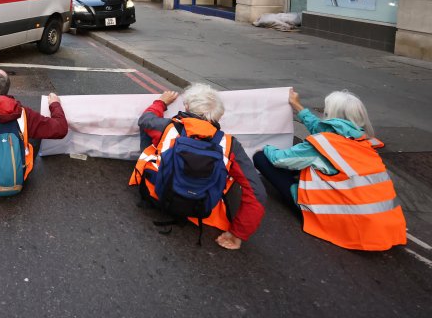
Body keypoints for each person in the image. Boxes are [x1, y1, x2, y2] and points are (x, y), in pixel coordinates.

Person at [253, 88, 406, 251]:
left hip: (351, 224)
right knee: (305, 158)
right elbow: (320, 129)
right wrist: (297, 106)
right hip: (387, 226)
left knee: (262, 157)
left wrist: (265, 146)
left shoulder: (324, 143)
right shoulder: (362, 140)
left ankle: (302, 200)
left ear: (331, 115)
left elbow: (279, 160)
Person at [129, 84, 266, 250]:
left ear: (186, 107)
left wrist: (161, 102)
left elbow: (145, 119)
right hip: (201, 208)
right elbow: (257, 193)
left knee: (149, 130)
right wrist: (238, 234)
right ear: (218, 116)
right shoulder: (230, 144)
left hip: (157, 195)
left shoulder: (167, 127)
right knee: (235, 177)